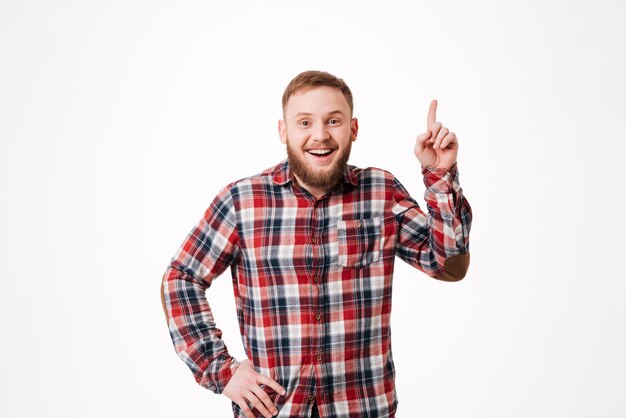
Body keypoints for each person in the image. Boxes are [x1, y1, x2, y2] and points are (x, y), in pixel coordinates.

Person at [161, 70, 472, 418]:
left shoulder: (381, 192)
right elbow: (182, 277)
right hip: (275, 411)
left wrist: (441, 176)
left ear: (353, 129)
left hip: (364, 409)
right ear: (284, 131)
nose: (320, 135)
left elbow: (448, 265)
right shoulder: (242, 201)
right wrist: (222, 370)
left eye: (333, 121)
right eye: (304, 122)